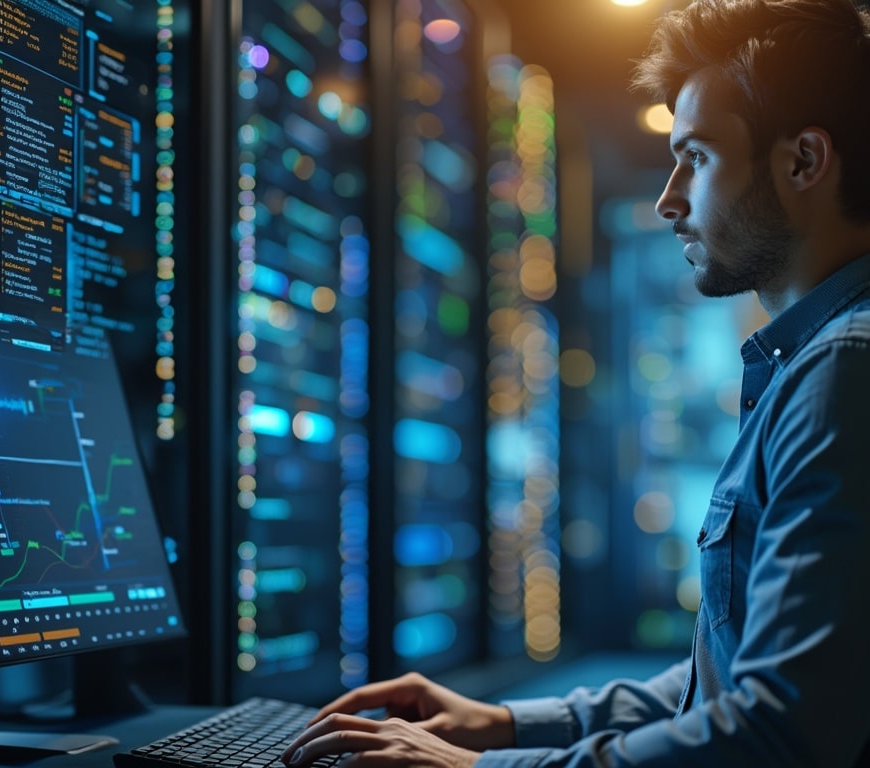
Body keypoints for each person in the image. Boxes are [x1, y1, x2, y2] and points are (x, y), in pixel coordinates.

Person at [280, 0, 870, 765]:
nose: (668, 199)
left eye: (696, 156)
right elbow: (731, 677)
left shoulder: (841, 370)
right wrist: (509, 725)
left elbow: (781, 730)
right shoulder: (821, 361)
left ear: (803, 162)